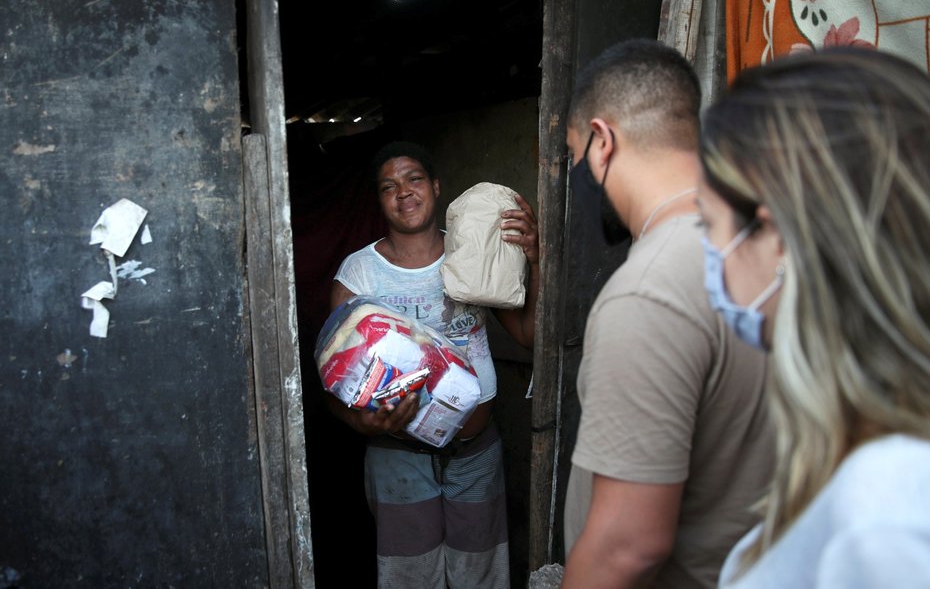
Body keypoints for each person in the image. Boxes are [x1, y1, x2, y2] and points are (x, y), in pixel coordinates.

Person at [697, 47, 930, 588]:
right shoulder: (868, 464)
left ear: (776, 238)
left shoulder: (885, 515)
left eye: (706, 226)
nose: (706, 254)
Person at [560, 39, 775, 588]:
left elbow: (627, 548)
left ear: (602, 142)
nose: (577, 174)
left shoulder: (647, 293)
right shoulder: (771, 245)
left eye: (575, 155)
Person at [327, 140, 540, 588]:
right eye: (389, 186)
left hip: (476, 452)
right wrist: (368, 427)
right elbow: (334, 382)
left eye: (414, 179)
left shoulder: (471, 253)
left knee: (480, 574)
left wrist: (536, 263)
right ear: (379, 200)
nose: (403, 193)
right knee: (411, 576)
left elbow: (527, 334)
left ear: (437, 186)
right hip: (398, 457)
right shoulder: (359, 273)